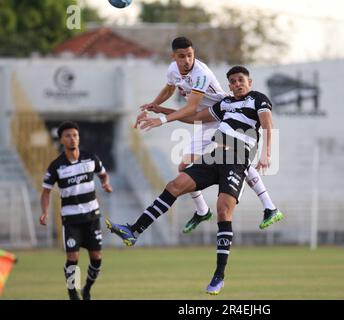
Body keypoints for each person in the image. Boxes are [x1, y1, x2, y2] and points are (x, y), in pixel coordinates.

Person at [106, 66, 276, 295]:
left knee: (223, 212)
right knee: (174, 185)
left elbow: (266, 125)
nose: (237, 84)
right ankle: (134, 231)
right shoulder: (225, 104)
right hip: (214, 155)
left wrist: (266, 154)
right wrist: (161, 111)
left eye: (240, 80)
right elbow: (194, 117)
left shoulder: (258, 99)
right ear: (229, 85)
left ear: (250, 82)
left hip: (237, 159)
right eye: (233, 81)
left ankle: (219, 275)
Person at [135, 36, 283, 233]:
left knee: (236, 156)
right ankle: (203, 211)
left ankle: (269, 206)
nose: (187, 60)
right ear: (174, 57)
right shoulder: (172, 70)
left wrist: (161, 119)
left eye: (190, 55)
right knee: (184, 166)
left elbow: (191, 109)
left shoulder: (201, 74)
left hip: (221, 116)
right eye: (182, 56)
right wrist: (156, 105)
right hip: (206, 118)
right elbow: (170, 89)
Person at [40, 121, 113, 300]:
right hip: (71, 219)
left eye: (75, 135)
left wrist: (105, 183)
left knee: (97, 258)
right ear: (61, 140)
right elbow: (46, 191)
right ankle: (73, 293)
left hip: (92, 216)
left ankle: (87, 288)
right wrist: (45, 211)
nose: (72, 139)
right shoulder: (56, 166)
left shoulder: (90, 158)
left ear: (79, 138)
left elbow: (102, 173)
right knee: (73, 258)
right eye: (68, 136)